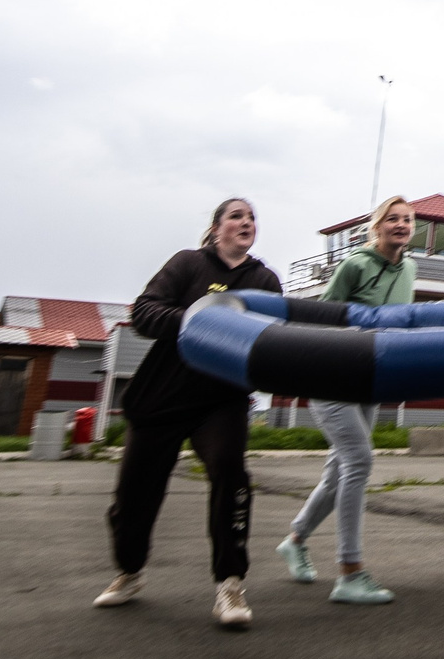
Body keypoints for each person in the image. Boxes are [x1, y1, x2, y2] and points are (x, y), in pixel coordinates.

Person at [94, 197, 277, 629]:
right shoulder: (188, 264)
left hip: (221, 400)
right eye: (236, 216)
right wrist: (199, 320)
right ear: (216, 228)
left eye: (251, 217)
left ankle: (230, 583)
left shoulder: (264, 279)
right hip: (162, 397)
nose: (246, 222)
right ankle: (130, 571)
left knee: (231, 476)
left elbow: (273, 333)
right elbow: (144, 311)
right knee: (133, 498)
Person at [276, 194, 414, 606]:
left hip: (370, 379)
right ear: (378, 226)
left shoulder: (410, 268)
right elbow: (325, 318)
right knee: (359, 461)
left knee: (339, 472)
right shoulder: (355, 264)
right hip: (332, 374)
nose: (401, 225)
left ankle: (295, 540)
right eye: (393, 219)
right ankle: (350, 572)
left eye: (407, 220)